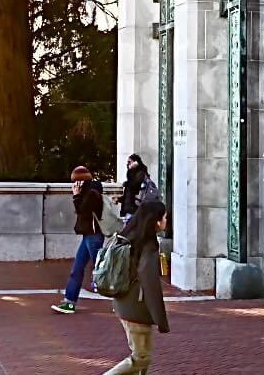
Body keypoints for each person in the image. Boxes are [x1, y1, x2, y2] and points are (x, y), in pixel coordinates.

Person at [103, 200, 170, 375]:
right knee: (141, 357)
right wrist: (161, 320)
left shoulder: (131, 236)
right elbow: (151, 285)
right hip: (136, 308)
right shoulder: (148, 246)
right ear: (156, 221)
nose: (166, 221)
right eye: (164, 217)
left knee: (142, 356)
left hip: (123, 302)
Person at [52, 165, 104, 315]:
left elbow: (83, 210)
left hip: (94, 235)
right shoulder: (88, 191)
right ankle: (69, 301)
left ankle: (122, 299)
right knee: (77, 269)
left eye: (76, 182)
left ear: (82, 181)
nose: (75, 185)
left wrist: (76, 196)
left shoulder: (93, 192)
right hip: (88, 234)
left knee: (103, 270)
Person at [118, 154, 150, 221]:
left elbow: (134, 186)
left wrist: (131, 170)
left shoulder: (140, 173)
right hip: (129, 208)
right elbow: (128, 192)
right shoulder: (132, 174)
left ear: (136, 162)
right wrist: (119, 199)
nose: (128, 164)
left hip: (134, 208)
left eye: (130, 162)